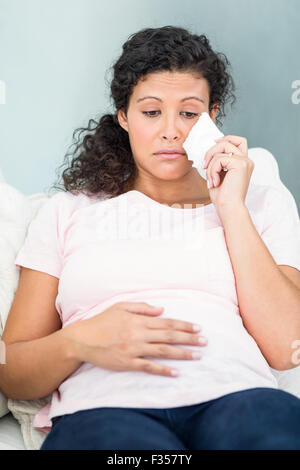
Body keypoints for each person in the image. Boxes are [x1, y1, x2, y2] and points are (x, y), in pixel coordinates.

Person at [1, 25, 300, 450]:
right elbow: (12, 368)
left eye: (190, 113)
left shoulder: (260, 203)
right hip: (104, 410)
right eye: (151, 111)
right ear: (124, 116)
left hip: (238, 399)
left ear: (212, 118)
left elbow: (288, 349)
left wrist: (231, 207)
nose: (172, 131)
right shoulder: (69, 212)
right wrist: (79, 340)